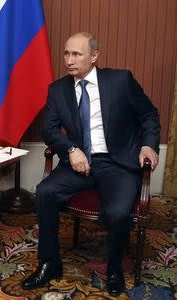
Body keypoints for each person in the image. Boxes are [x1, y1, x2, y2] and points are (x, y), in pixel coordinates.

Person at [21, 32, 160, 296]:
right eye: (66, 54)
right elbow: (50, 131)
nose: (69, 60)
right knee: (45, 192)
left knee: (118, 213)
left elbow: (149, 115)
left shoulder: (120, 81)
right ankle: (49, 263)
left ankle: (115, 269)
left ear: (94, 57)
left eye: (77, 54)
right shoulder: (58, 89)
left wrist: (148, 145)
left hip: (117, 163)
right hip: (80, 163)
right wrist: (71, 149)